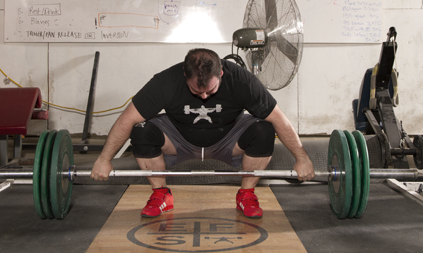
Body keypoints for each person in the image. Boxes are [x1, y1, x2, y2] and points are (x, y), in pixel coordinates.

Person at [90, 48, 315, 218]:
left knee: (265, 128)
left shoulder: (241, 80)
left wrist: (302, 158)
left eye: (211, 90)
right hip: (178, 138)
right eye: (197, 91)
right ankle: (161, 194)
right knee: (140, 129)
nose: (205, 97)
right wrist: (104, 159)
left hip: (229, 138)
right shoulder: (166, 81)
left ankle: (246, 195)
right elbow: (126, 119)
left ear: (222, 72)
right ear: (184, 75)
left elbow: (279, 119)